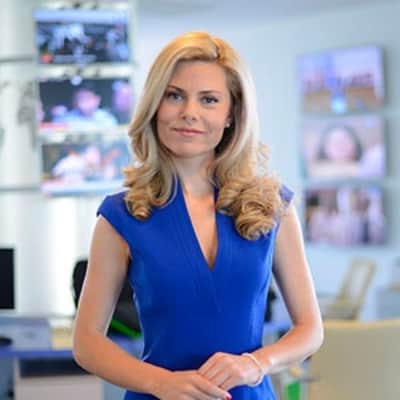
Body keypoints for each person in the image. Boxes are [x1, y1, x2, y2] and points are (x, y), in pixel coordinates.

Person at [72, 31, 323, 400]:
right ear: (155, 105)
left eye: (209, 99)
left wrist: (256, 364)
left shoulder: (272, 207)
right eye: (174, 95)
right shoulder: (121, 216)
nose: (189, 112)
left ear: (231, 114)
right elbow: (87, 342)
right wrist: (160, 383)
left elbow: (310, 330)